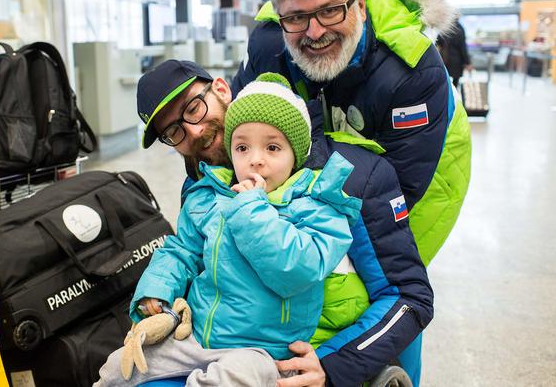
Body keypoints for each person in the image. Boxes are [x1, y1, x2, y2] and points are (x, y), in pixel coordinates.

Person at [130, 59, 433, 387]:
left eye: (193, 108)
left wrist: (333, 367)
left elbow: (407, 295)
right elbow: (184, 254)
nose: (195, 131)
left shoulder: (350, 179)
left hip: (303, 357)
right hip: (211, 345)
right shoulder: (202, 187)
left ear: (220, 89)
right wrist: (157, 296)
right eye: (174, 131)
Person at [95, 76, 364, 386]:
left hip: (263, 352)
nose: (256, 160)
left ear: (296, 153)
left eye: (273, 147)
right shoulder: (207, 194)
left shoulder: (318, 205)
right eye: (242, 147)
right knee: (119, 367)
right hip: (196, 336)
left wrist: (252, 209)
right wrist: (156, 292)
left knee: (229, 379)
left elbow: (298, 271)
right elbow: (181, 251)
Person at [233, 0, 472, 270]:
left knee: (363, 290)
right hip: (339, 148)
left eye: (330, 10)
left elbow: (399, 190)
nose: (314, 32)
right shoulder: (268, 44)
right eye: (296, 17)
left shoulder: (410, 70)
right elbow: (235, 134)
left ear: (360, 5)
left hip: (428, 174)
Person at [436, 17, 473, 86]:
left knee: (445, 82)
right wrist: (467, 62)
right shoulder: (460, 29)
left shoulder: (445, 27)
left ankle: (447, 95)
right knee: (455, 83)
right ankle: (454, 95)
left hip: (444, 59)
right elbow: (463, 47)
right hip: (457, 61)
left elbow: (438, 42)